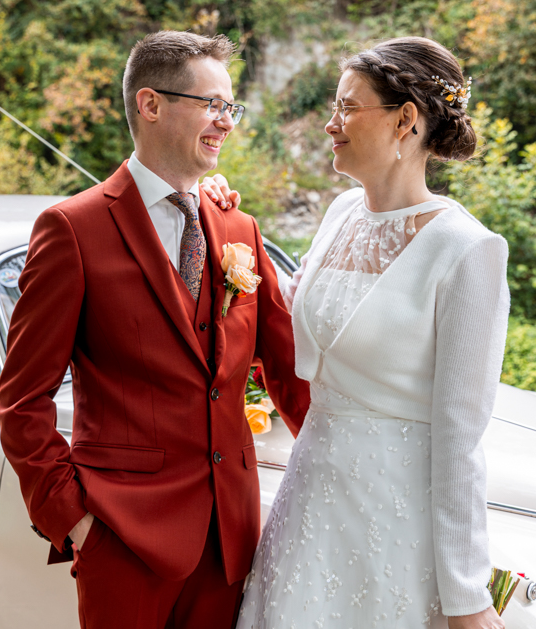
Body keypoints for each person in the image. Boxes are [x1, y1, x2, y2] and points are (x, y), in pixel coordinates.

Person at [0, 30, 311, 629]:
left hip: (229, 541)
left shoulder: (239, 228)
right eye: (212, 104)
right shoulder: (72, 229)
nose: (227, 121)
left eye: (231, 107)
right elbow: (21, 400)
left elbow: (290, 373)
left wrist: (343, 465)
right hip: (123, 538)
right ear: (151, 104)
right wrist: (76, 521)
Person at [204, 36, 509, 628]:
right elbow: (281, 317)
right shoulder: (341, 212)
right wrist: (215, 210)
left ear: (405, 120)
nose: (330, 124)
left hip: (394, 525)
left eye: (347, 108)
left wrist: (467, 595)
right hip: (308, 504)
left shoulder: (467, 249)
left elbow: (460, 436)